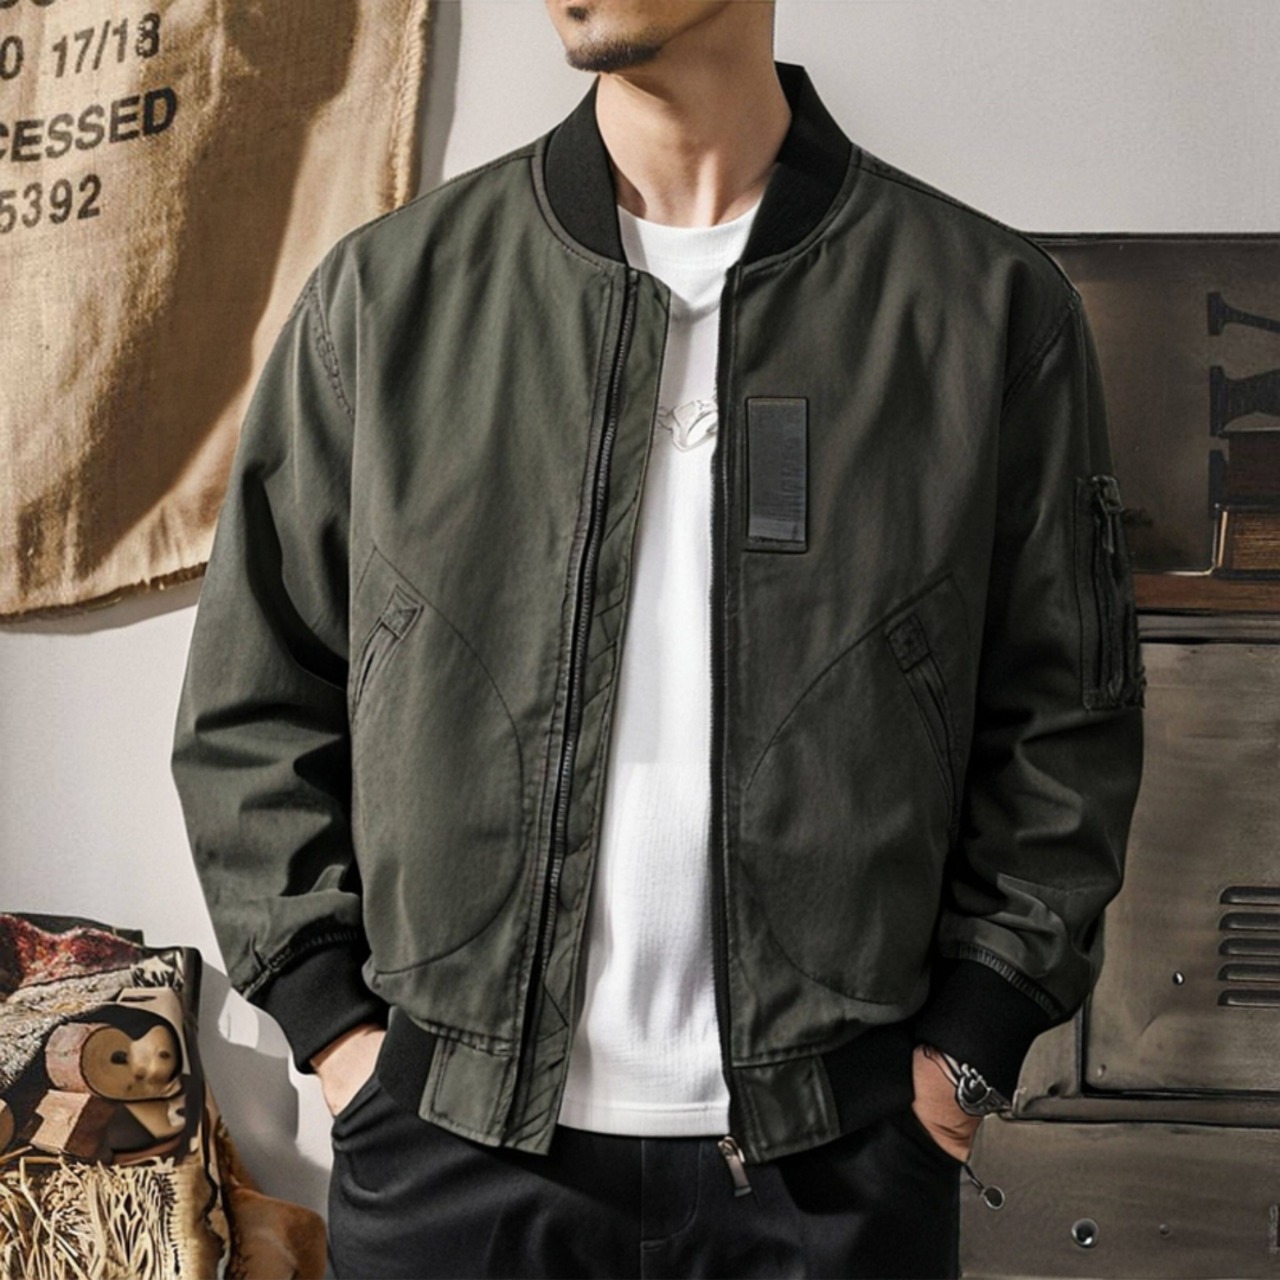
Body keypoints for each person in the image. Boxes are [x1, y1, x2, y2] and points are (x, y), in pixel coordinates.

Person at [171, 2, 1145, 1276]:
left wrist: (966, 1048)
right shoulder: (389, 296)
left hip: (835, 1161)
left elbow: (1064, 717)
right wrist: (338, 1032)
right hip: (451, 1157)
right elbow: (254, 700)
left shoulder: (980, 306)